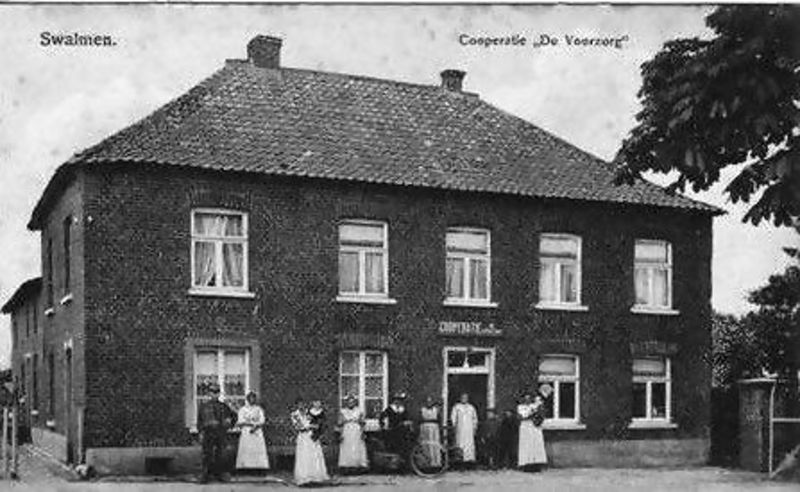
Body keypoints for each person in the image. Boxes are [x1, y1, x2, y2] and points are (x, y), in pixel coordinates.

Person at [197, 384, 237, 483]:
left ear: (219, 394)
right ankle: (205, 475)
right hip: (208, 432)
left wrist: (229, 422)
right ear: (209, 393)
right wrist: (200, 432)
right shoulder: (204, 406)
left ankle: (220, 474)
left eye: (216, 392)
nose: (214, 394)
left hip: (220, 432)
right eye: (212, 392)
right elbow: (200, 421)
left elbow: (234, 416)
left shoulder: (224, 406)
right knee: (207, 454)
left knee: (220, 454)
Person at [292, 397, 330, 486]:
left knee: (314, 455)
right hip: (303, 437)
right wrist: (310, 426)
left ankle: (315, 477)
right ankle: (304, 477)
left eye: (302, 404)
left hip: (312, 436)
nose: (301, 406)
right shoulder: (295, 415)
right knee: (304, 456)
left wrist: (317, 429)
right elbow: (298, 427)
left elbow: (317, 422)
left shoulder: (309, 412)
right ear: (296, 405)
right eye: (299, 404)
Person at [235, 391, 270, 473]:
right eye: (250, 398)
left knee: (257, 449)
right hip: (246, 430)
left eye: (253, 398)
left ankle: (258, 467)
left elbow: (262, 420)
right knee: (247, 448)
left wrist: (256, 426)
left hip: (257, 430)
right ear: (247, 399)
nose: (252, 400)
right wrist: (249, 423)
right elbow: (240, 421)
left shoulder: (259, 409)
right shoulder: (243, 409)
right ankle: (245, 467)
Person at [517, 392, 547, 471]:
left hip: (534, 426)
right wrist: (532, 412)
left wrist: (538, 410)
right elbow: (523, 416)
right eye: (526, 398)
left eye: (529, 398)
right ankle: (526, 464)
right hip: (525, 426)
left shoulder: (534, 406)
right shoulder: (521, 407)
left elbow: (540, 414)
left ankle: (536, 463)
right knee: (526, 445)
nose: (528, 400)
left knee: (535, 444)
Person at [337, 395, 368, 471]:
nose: (351, 403)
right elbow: (339, 423)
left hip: (356, 430)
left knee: (357, 446)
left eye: (352, 402)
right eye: (349, 402)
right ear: (347, 403)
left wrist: (363, 432)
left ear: (355, 402)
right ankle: (346, 465)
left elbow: (362, 423)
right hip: (347, 430)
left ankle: (357, 464)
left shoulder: (359, 411)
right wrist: (340, 433)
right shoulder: (343, 411)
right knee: (347, 446)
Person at [450, 392, 478, 466]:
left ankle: (469, 460)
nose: (464, 399)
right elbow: (453, 418)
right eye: (463, 397)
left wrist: (474, 427)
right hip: (460, 429)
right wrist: (454, 426)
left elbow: (474, 418)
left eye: (465, 398)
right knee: (460, 443)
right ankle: (460, 460)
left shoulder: (471, 407)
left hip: (469, 429)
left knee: (469, 443)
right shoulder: (457, 407)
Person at [418, 396, 442, 468]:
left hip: (434, 428)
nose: (429, 403)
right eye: (427, 402)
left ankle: (435, 462)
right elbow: (420, 420)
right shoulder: (422, 410)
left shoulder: (436, 410)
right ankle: (426, 462)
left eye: (430, 401)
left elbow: (439, 419)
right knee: (426, 444)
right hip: (425, 428)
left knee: (434, 444)